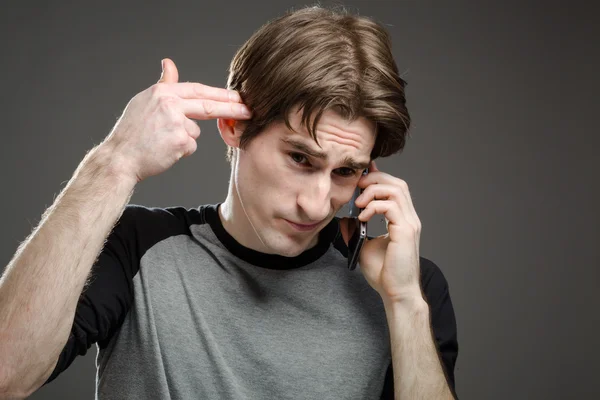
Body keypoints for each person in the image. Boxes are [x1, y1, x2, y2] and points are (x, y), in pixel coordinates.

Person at [0, 6, 458, 400]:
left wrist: (404, 303)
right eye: (300, 158)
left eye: (345, 171)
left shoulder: (407, 285)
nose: (318, 205)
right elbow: (7, 376)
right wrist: (115, 162)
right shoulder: (132, 248)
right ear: (234, 127)